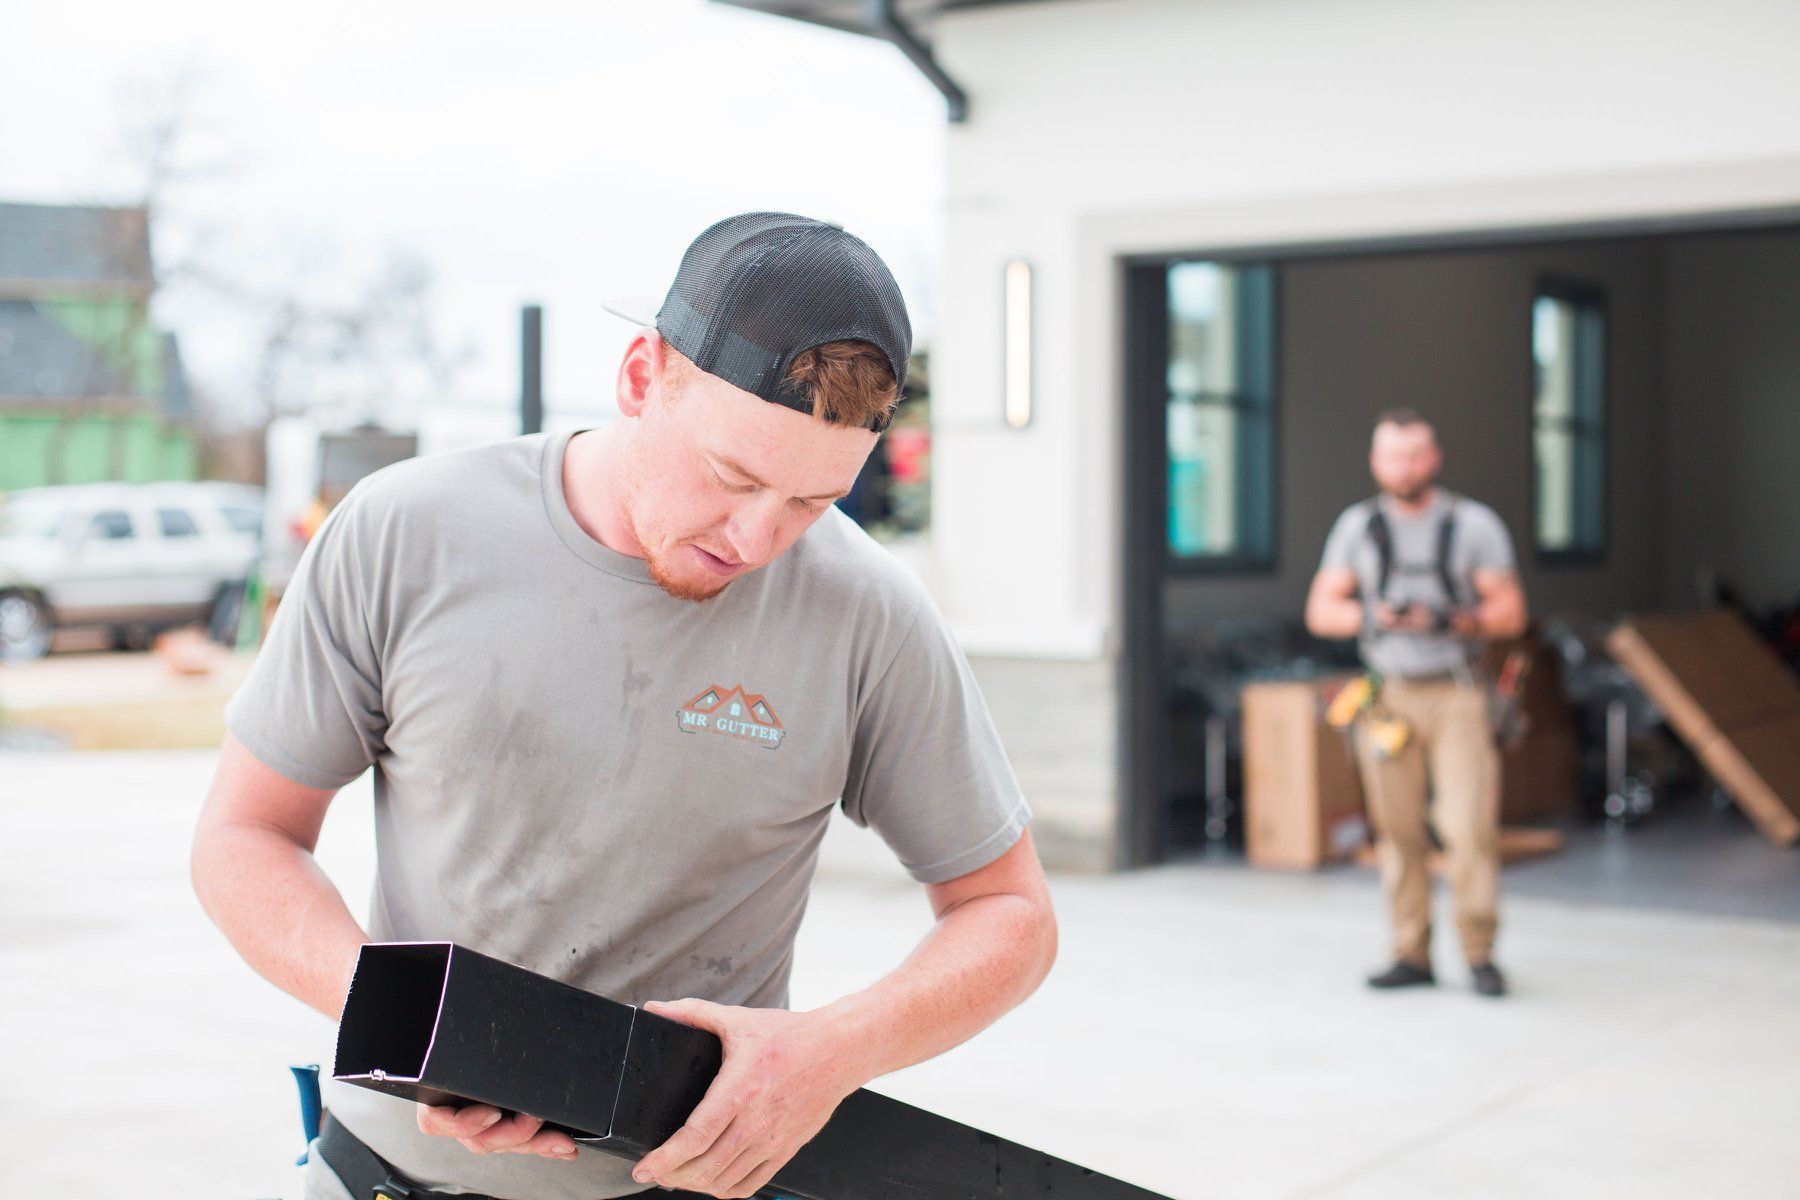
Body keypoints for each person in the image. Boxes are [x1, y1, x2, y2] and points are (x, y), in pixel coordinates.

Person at [191, 212, 1055, 1200]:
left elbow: (1010, 913)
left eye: (814, 502)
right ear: (642, 377)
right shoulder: (406, 533)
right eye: (734, 476)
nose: (759, 536)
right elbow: (244, 836)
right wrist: (402, 1015)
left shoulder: (870, 612)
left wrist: (829, 1052)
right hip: (383, 1173)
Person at [1304, 410, 1526, 998]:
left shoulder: (1473, 524)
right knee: (1396, 831)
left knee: (1467, 826)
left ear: (1435, 458)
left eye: (1414, 455)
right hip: (1389, 697)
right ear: (1376, 463)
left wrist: (1456, 619)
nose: (1403, 467)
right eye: (1392, 456)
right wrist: (1374, 614)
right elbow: (1321, 610)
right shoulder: (1357, 527)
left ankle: (1479, 953)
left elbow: (1511, 611)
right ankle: (1411, 952)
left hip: (1457, 692)